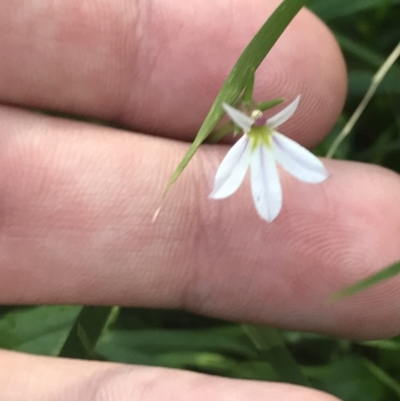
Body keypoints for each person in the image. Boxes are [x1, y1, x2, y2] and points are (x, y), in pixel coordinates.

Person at [1, 1, 399, 400]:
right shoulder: (250, 138)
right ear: (246, 119)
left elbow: (287, 160)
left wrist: (254, 122)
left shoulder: (262, 139)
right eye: (251, 119)